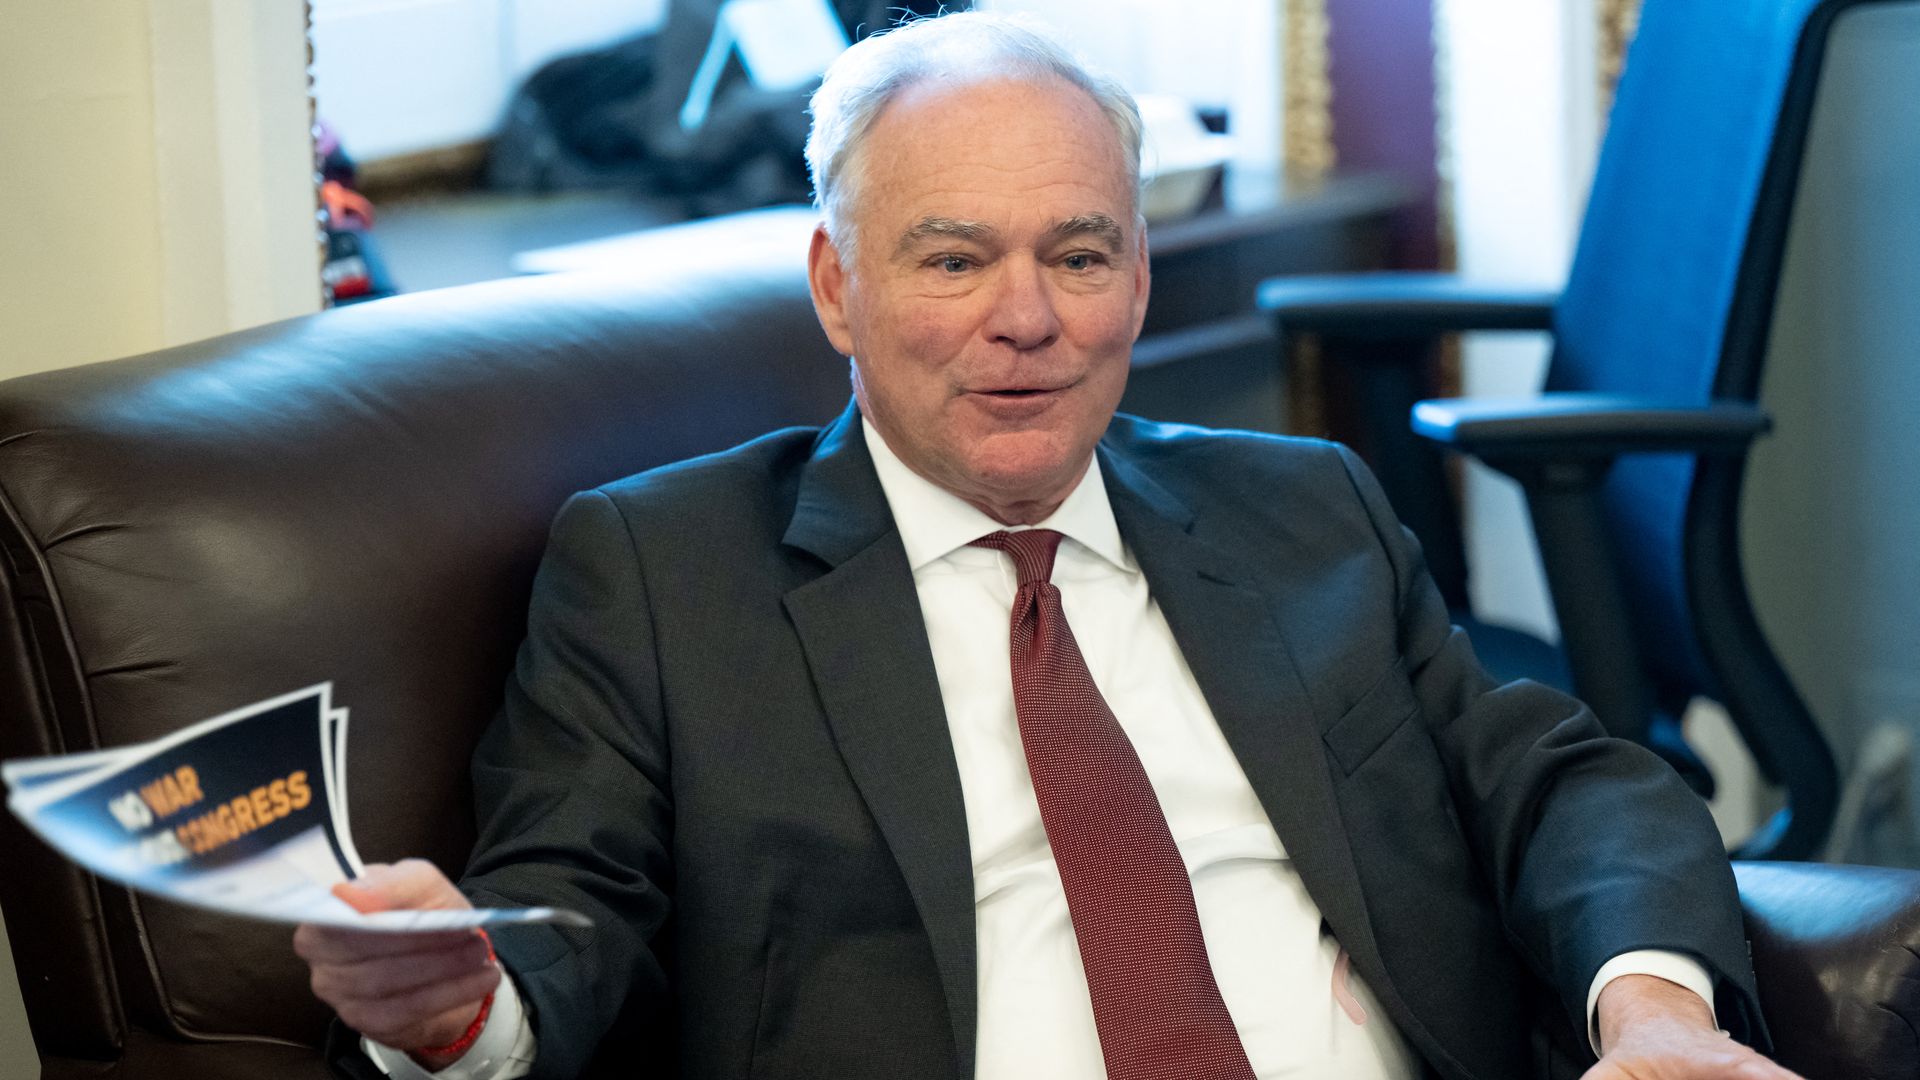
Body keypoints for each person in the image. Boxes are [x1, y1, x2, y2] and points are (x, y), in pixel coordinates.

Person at [297, 13, 1803, 1080]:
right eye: (952, 259)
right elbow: (569, 909)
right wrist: (461, 1008)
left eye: (1079, 253)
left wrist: (1657, 1014)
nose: (1029, 317)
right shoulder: (661, 573)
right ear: (838, 285)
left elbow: (1559, 781)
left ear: (1138, 278)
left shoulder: (1305, 510)